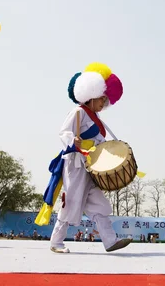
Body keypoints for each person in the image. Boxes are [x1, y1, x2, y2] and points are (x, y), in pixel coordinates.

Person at [36, 63, 131, 254]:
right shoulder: (78, 112)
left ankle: (110, 241)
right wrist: (73, 141)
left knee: (98, 203)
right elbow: (64, 132)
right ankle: (56, 242)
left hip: (90, 166)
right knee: (71, 202)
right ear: (91, 95)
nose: (104, 103)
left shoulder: (96, 118)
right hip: (75, 164)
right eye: (102, 99)